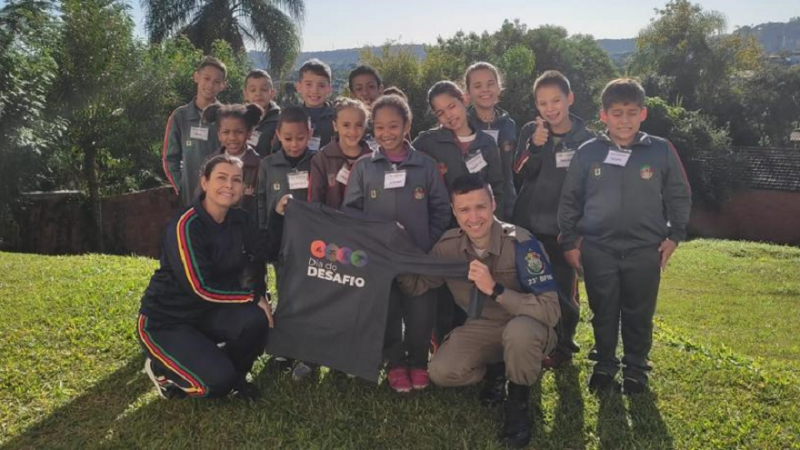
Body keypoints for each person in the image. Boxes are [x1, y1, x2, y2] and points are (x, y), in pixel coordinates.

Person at [400, 174, 559, 449]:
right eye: (464, 209)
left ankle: (518, 403)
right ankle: (496, 369)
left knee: (519, 333)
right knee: (441, 371)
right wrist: (393, 257)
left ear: (493, 203)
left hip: (529, 326)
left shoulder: (521, 244)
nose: (473, 217)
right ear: (454, 212)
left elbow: (551, 311)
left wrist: (496, 290)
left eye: (480, 206)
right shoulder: (448, 247)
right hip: (484, 328)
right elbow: (418, 284)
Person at [558, 78, 692, 395]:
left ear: (643, 114)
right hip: (598, 249)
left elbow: (679, 196)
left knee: (638, 312)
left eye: (631, 112)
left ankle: (635, 369)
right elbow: (570, 199)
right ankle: (604, 364)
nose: (624, 120)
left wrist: (675, 235)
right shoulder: (588, 153)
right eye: (617, 113)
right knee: (603, 310)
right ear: (604, 116)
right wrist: (568, 240)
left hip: (645, 249)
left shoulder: (660, 150)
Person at [137, 154, 277, 401]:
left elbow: (264, 251)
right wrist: (252, 297)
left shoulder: (241, 220)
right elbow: (199, 287)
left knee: (256, 320)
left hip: (209, 313)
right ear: (204, 182)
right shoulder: (186, 225)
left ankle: (235, 375)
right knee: (214, 385)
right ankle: (162, 370)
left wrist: (279, 216)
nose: (229, 185)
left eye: (236, 180)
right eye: (221, 178)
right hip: (167, 320)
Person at [342, 94, 451, 393]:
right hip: (379, 260)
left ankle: (418, 362)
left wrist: (427, 245)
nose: (386, 133)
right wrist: (369, 243)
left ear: (407, 126)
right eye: (379, 127)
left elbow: (442, 209)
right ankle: (395, 363)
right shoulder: (364, 167)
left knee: (420, 312)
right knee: (387, 311)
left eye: (393, 126)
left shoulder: (426, 166)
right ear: (372, 130)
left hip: (419, 257)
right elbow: (351, 211)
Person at [512, 70, 595, 369]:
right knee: (529, 287)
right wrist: (535, 145)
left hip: (565, 232)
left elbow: (592, 190)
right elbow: (519, 172)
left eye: (556, 100)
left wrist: (580, 230)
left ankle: (563, 346)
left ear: (569, 98)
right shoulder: (530, 132)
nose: (550, 108)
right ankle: (533, 341)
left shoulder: (587, 140)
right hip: (529, 225)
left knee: (564, 292)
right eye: (542, 102)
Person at [413, 81, 505, 219]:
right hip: (444, 228)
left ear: (464, 100)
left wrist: (493, 223)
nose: (449, 115)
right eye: (441, 112)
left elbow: (497, 189)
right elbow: (402, 157)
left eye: (452, 106)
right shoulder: (427, 142)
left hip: (479, 224)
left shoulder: (487, 143)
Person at [162, 56, 228, 206]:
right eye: (206, 78)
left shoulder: (226, 116)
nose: (210, 85)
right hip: (189, 199)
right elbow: (169, 158)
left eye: (216, 81)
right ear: (196, 76)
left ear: (223, 85)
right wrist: (181, 186)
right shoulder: (179, 116)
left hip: (221, 198)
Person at [465, 62, 517, 219]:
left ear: (499, 88)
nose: (485, 90)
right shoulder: (463, 125)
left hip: (507, 207)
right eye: (477, 85)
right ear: (468, 93)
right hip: (473, 210)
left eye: (490, 83)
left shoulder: (509, 124)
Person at [308, 98, 372, 208]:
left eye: (359, 125)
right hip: (331, 223)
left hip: (364, 223)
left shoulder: (373, 158)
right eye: (346, 125)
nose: (352, 131)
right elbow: (315, 200)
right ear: (335, 126)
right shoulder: (322, 158)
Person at [203, 103, 263, 216]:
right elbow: (201, 198)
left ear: (249, 133)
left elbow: (262, 205)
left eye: (239, 132)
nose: (232, 138)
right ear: (219, 134)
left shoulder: (260, 165)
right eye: (226, 132)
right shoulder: (210, 163)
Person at [294, 58, 335, 151]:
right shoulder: (291, 116)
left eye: (321, 85)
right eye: (308, 84)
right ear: (298, 87)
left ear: (329, 89)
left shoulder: (338, 116)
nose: (315, 90)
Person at [243, 69, 281, 156]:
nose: (258, 93)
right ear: (245, 94)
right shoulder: (238, 119)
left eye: (264, 89)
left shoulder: (280, 121)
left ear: (272, 93)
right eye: (253, 90)